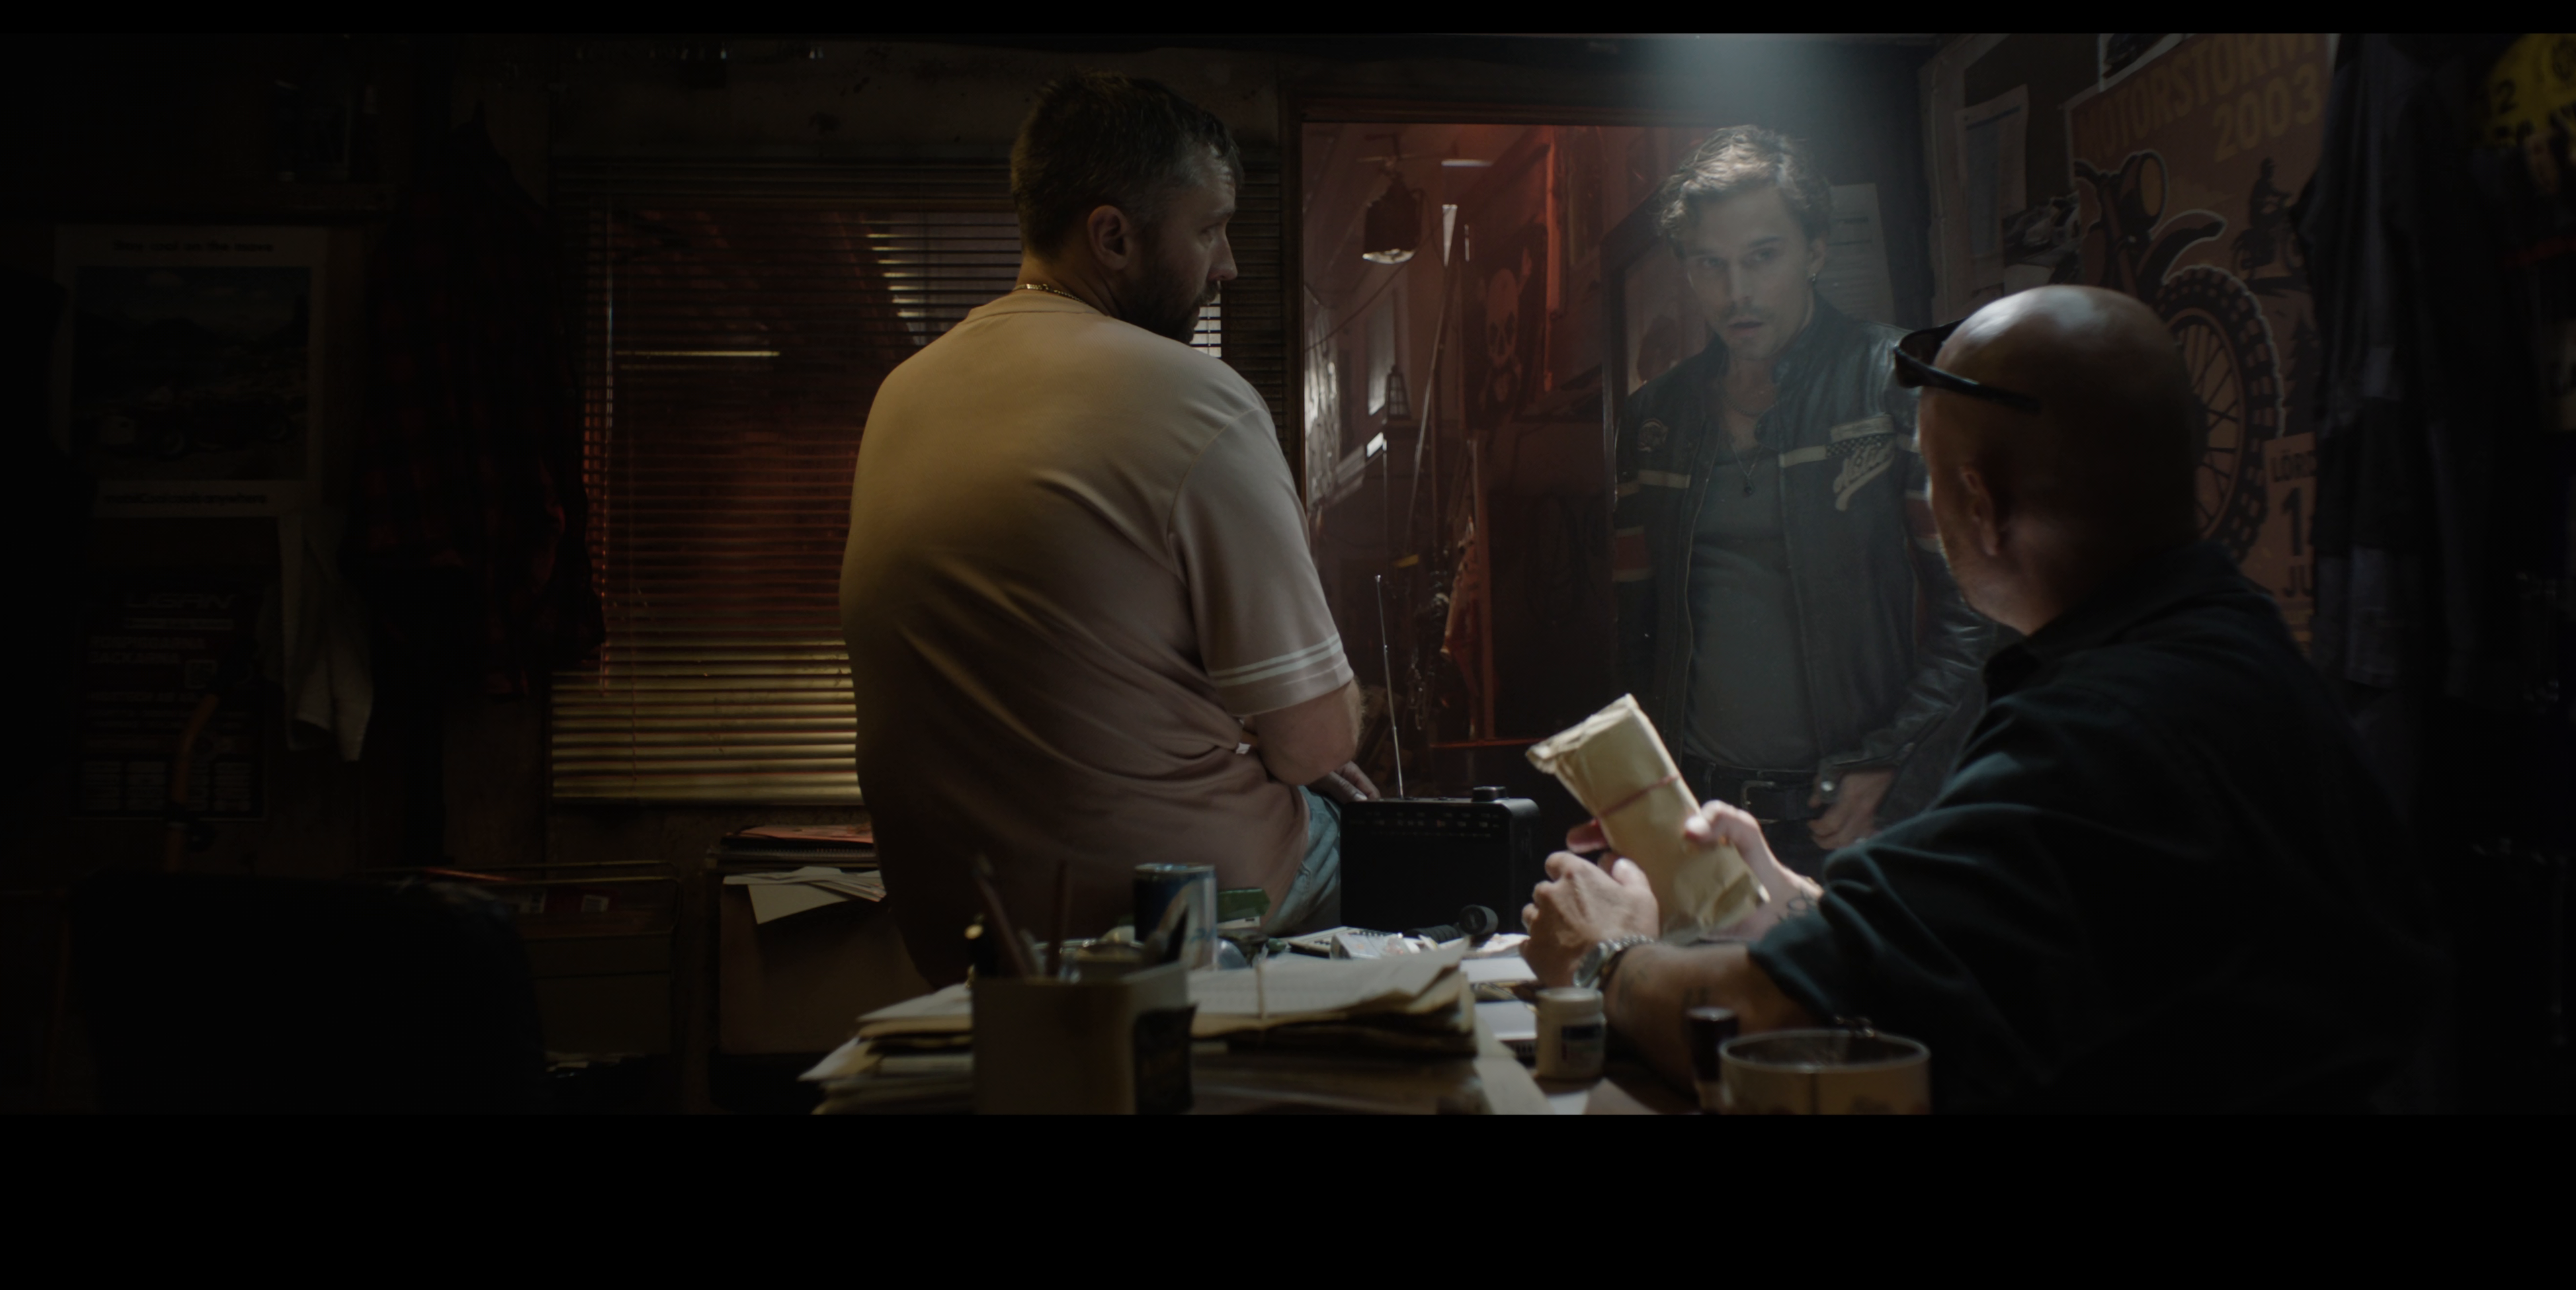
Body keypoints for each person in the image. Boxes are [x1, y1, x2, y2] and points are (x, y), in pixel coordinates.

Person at [1529, 286, 2442, 1112]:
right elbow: (1993, 943)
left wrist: (1609, 954)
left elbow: (1769, 1025)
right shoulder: (2226, 653)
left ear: (1983, 504)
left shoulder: (2102, 733)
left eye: (1929, 478)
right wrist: (1790, 902)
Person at [839, 73, 1374, 985]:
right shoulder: (1198, 400)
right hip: (1169, 921)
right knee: (1391, 851)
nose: (1228, 265)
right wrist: (1282, 738)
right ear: (1114, 237)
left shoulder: (903, 395)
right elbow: (1317, 744)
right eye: (1209, 230)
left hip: (962, 932)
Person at [1614, 127, 1991, 878]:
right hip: (1702, 820)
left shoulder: (1899, 383)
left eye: (1763, 256)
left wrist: (1893, 759)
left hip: (1853, 813)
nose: (1737, 292)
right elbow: (1635, 628)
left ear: (1815, 251)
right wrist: (1642, 794)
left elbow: (1976, 610)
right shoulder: (1657, 418)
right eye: (1710, 264)